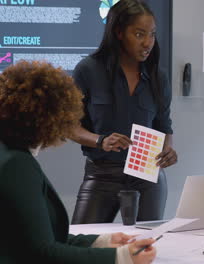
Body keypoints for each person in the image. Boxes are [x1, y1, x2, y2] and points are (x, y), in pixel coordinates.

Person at [0, 60, 156, 263]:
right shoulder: (17, 165)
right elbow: (42, 252)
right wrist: (123, 258)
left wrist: (103, 241)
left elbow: (40, 239)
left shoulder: (7, 152)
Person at [70, 0, 177, 224]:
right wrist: (100, 140)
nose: (148, 42)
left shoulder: (159, 77)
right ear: (118, 32)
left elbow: (163, 126)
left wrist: (168, 151)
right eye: (139, 34)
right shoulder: (88, 70)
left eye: (152, 35)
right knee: (81, 238)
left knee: (145, 246)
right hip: (101, 174)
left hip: (146, 174)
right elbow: (69, 126)